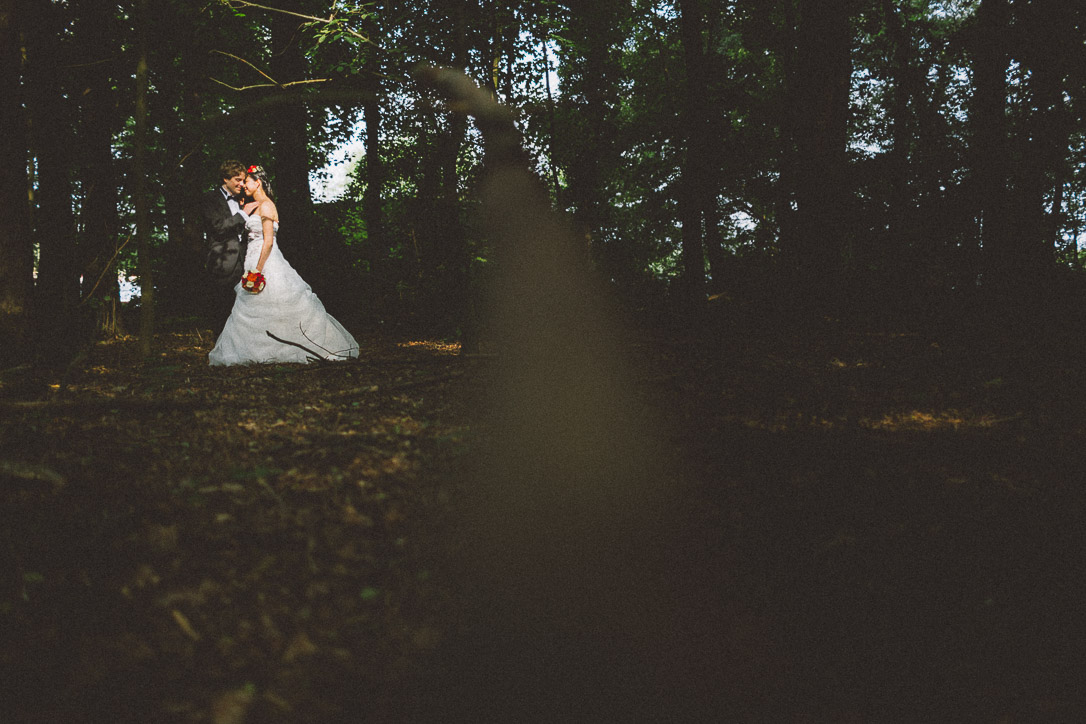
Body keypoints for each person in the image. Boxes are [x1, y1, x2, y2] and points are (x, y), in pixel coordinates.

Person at [209, 165, 359, 366]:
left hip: (265, 261)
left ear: (258, 182)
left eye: (247, 181)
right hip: (251, 259)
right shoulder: (252, 204)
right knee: (255, 306)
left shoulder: (267, 205)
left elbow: (269, 241)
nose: (244, 185)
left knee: (279, 302)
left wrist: (258, 269)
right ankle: (260, 349)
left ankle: (292, 346)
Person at [200, 160, 250, 336]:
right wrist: (243, 214)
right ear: (225, 179)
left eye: (243, 180)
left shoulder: (244, 199)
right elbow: (218, 227)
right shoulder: (210, 199)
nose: (241, 184)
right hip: (222, 262)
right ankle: (222, 354)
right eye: (237, 180)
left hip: (245, 262)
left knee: (244, 310)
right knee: (221, 310)